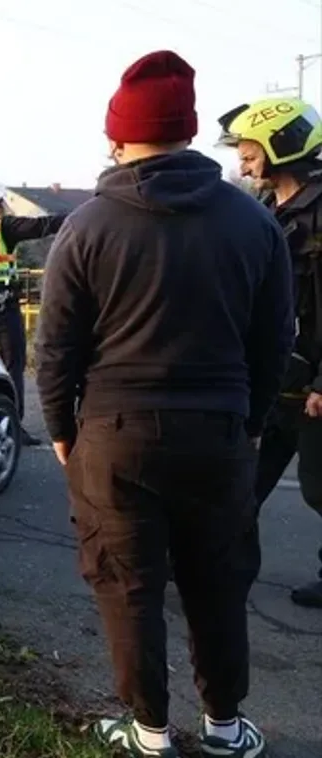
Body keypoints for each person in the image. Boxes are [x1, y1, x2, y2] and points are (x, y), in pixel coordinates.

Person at [36, 50, 292, 758]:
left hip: (113, 432)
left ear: (116, 136)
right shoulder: (253, 222)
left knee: (128, 584)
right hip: (218, 430)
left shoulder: (86, 226)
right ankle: (224, 728)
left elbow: (56, 347)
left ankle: (148, 733)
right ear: (188, 132)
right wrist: (248, 420)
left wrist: (59, 428)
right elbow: (275, 339)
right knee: (218, 580)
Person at [218, 95, 322, 610]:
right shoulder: (264, 213)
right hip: (271, 378)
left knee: (320, 489)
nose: (243, 165)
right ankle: (216, 564)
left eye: (250, 153)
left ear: (284, 145)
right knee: (241, 482)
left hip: (314, 388)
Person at [0, 183, 68, 447]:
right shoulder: (2, 226)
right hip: (0, 304)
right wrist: (81, 215)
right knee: (12, 362)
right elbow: (43, 225)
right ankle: (13, 425)